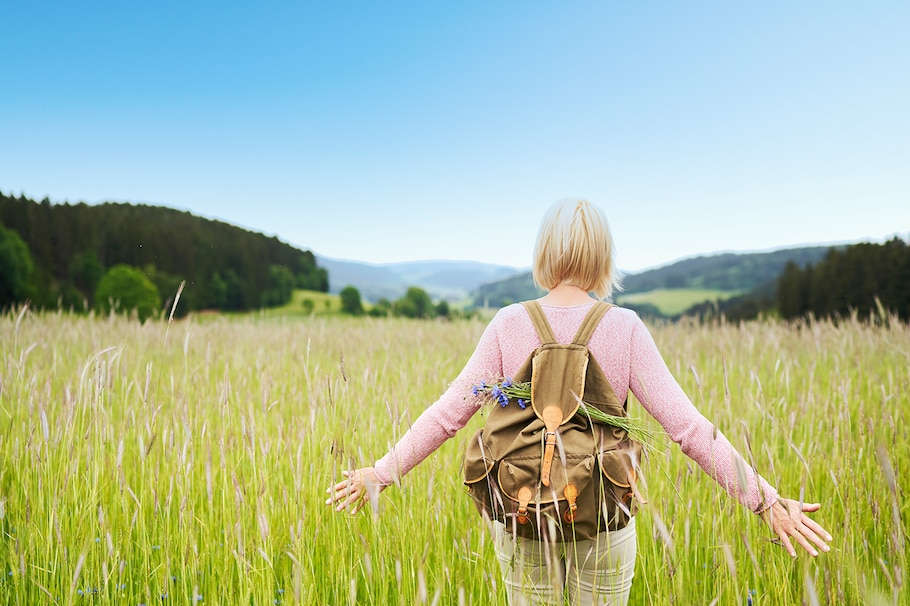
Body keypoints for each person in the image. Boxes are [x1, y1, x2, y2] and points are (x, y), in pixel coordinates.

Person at [326, 198, 832, 605]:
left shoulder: (509, 323)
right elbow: (690, 430)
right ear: (603, 257)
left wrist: (383, 471)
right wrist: (765, 500)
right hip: (604, 520)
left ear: (543, 254)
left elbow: (447, 415)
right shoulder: (624, 327)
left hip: (524, 518)